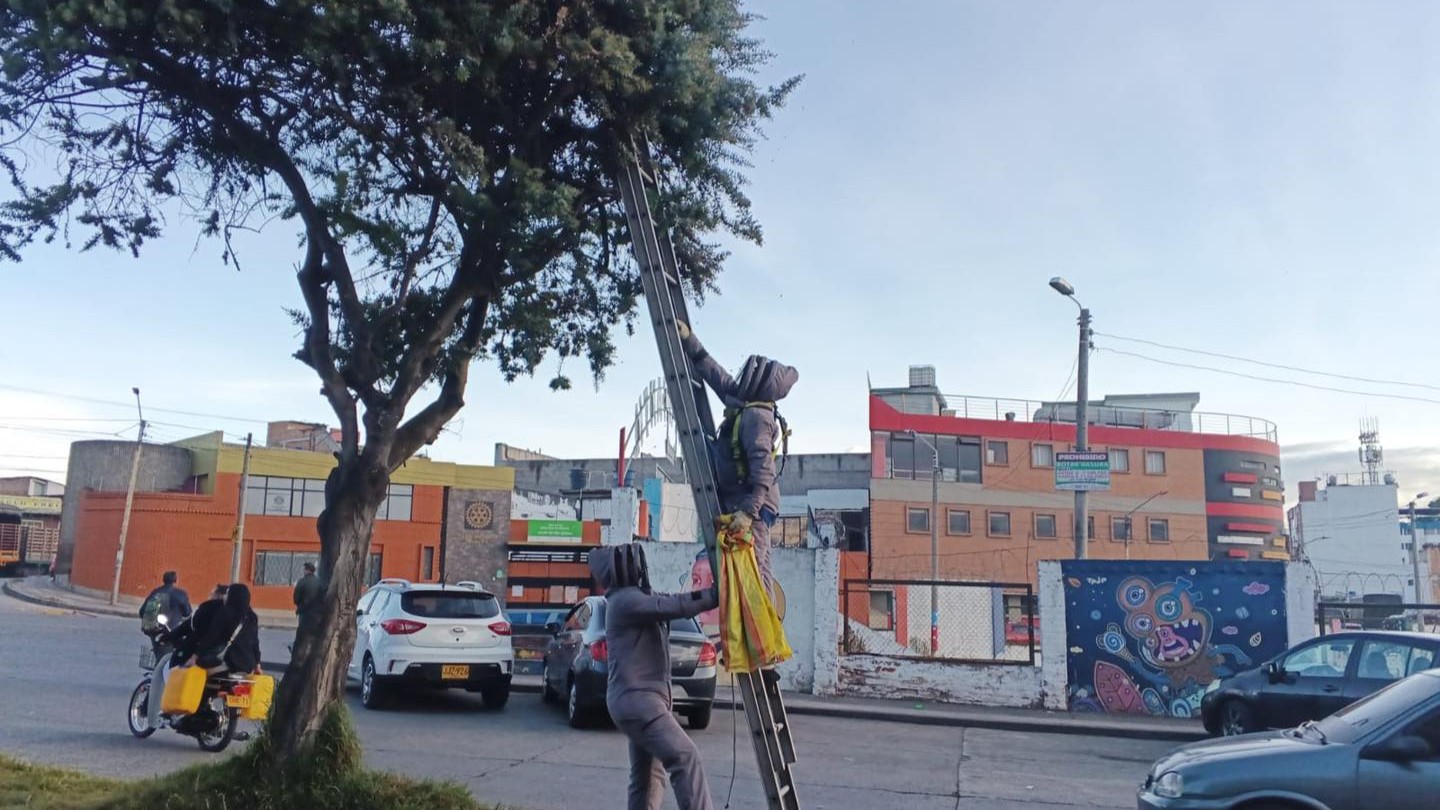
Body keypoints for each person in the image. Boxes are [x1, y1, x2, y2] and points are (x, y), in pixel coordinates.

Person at [590, 543, 719, 810]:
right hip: (639, 702)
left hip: (638, 701)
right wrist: (717, 595)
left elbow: (669, 600)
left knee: (648, 776)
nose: (639, 566)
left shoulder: (635, 598)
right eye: (631, 561)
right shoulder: (626, 601)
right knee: (685, 757)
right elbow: (675, 604)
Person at [678, 321, 798, 592]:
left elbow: (763, 474)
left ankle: (760, 630)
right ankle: (759, 626)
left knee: (754, 573)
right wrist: (691, 342)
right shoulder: (742, 402)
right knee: (751, 571)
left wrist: (748, 513)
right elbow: (716, 375)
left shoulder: (757, 419)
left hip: (753, 507)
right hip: (740, 500)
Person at [148, 584, 227, 729]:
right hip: (223, 658)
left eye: (212, 593)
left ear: (217, 595)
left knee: (170, 669)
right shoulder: (235, 614)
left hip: (197, 651)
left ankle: (170, 708)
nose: (210, 595)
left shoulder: (206, 608)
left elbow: (187, 626)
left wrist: (168, 637)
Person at [139, 570, 192, 638]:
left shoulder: (155, 592)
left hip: (151, 630)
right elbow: (187, 613)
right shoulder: (181, 594)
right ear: (175, 581)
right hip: (170, 630)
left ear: (163, 580)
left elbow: (142, 612)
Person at [292, 561, 324, 649]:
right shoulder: (319, 582)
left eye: (304, 569)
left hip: (304, 612)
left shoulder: (302, 582)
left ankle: (300, 650)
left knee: (302, 633)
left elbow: (296, 598)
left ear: (307, 570)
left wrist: (300, 604)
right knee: (314, 633)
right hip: (316, 613)